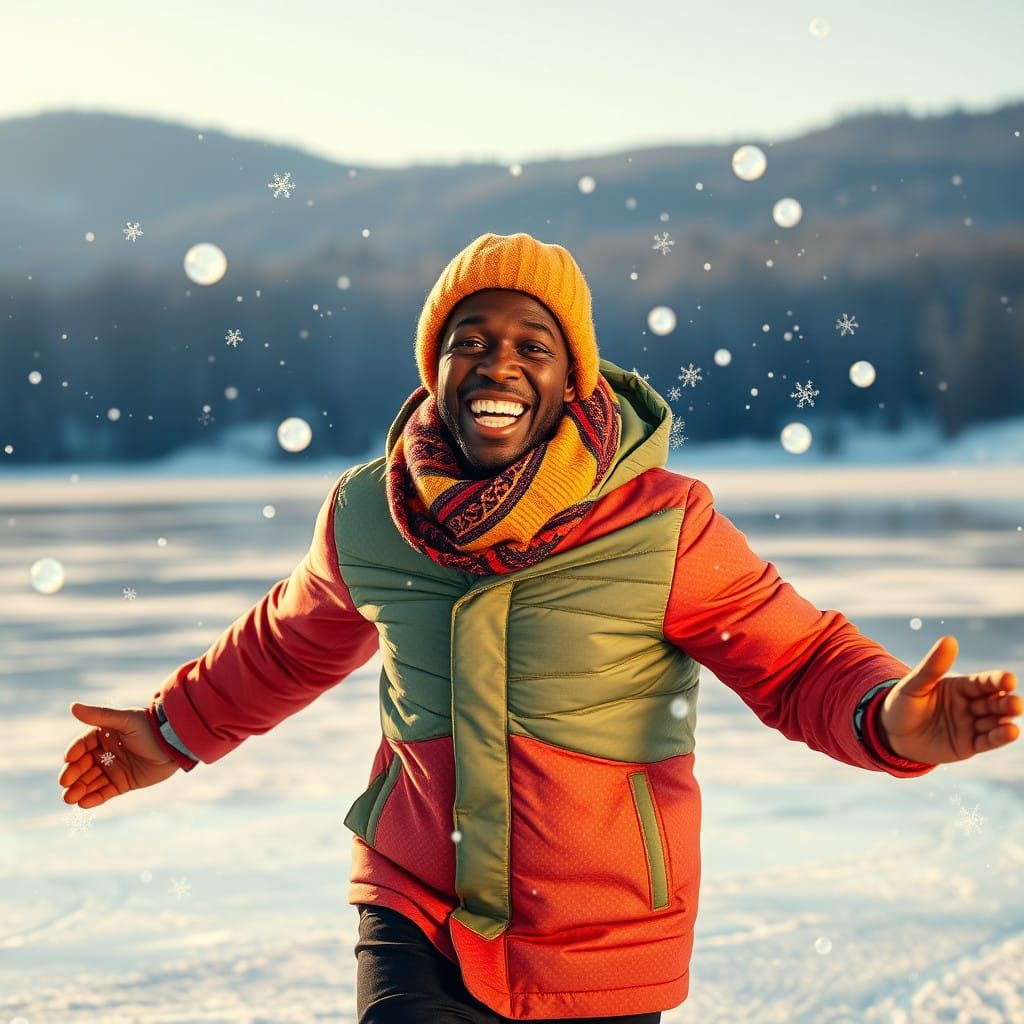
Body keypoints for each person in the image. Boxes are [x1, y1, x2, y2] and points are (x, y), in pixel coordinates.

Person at [59, 232, 1021, 1023]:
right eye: (470, 339)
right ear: (435, 365)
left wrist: (888, 719)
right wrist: (172, 729)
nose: (498, 362)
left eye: (533, 344)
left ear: (572, 378)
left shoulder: (661, 520)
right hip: (415, 898)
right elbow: (288, 642)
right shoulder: (371, 511)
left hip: (599, 924)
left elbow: (796, 657)